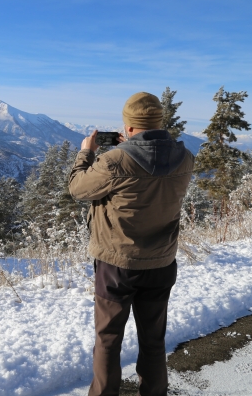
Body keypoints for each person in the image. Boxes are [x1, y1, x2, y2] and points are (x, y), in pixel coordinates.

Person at [68, 92, 194, 396]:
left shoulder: (115, 160)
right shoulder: (185, 158)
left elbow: (77, 188)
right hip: (162, 263)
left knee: (108, 339)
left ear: (130, 126)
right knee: (153, 339)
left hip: (117, 265)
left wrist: (86, 153)